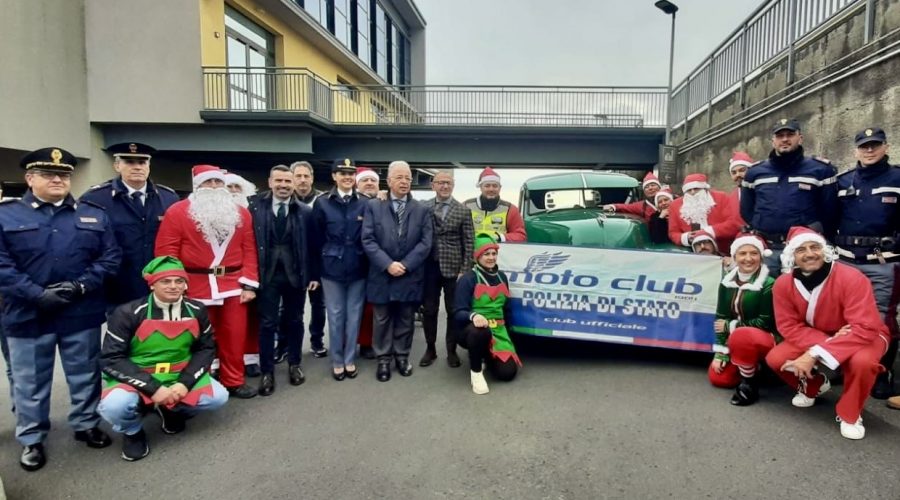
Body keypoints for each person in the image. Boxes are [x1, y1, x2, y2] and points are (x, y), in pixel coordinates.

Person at [0, 147, 121, 471]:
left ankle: (86, 424)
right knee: (30, 382)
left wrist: (80, 286)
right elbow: (2, 266)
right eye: (48, 174)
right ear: (29, 178)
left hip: (79, 311)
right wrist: (37, 295)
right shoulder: (7, 215)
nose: (58, 179)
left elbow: (110, 258)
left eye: (64, 174)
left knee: (84, 374)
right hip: (27, 314)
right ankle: (32, 439)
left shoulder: (92, 214)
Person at [98, 256, 228, 461]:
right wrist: (153, 388)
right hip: (138, 376)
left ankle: (171, 409)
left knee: (218, 397)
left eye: (179, 281)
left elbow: (206, 349)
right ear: (152, 285)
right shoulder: (127, 313)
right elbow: (111, 358)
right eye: (165, 281)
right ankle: (132, 431)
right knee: (116, 405)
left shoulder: (197, 310)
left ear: (186, 285)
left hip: (178, 374)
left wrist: (184, 383)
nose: (173, 286)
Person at [766, 226, 889, 440]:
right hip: (821, 335)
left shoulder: (851, 277)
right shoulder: (783, 284)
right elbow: (788, 326)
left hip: (864, 335)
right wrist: (827, 343)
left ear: (824, 250)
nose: (810, 253)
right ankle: (814, 385)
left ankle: (850, 413)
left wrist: (813, 354)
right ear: (791, 255)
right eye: (801, 249)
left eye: (815, 247)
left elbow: (865, 326)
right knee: (777, 358)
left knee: (863, 363)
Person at [155, 165, 260, 399]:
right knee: (199, 337)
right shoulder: (178, 212)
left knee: (234, 335)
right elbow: (166, 253)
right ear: (197, 185)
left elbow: (250, 249)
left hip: (233, 284)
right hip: (194, 284)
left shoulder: (240, 213)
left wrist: (249, 283)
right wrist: (172, 285)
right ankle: (201, 380)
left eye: (217, 182)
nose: (213, 187)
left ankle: (234, 380)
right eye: (207, 182)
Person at [834, 127, 900, 401]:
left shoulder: (898, 178)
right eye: (864, 146)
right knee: (843, 315)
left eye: (875, 145)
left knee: (883, 317)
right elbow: (829, 219)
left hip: (883, 262)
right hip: (846, 260)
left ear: (885, 146)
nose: (869, 150)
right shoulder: (843, 181)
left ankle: (881, 371)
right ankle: (844, 361)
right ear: (856, 150)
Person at [79, 142, 179, 307]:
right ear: (117, 165)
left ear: (149, 165)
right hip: (116, 289)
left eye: (142, 162)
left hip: (157, 287)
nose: (137, 167)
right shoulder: (95, 199)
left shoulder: (168, 198)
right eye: (129, 162)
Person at [247, 165, 318, 395]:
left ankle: (294, 364)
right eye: (279, 181)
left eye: (288, 182)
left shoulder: (305, 211)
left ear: (293, 184)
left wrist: (313, 275)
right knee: (267, 323)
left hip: (295, 275)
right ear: (270, 182)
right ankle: (267, 371)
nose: (284, 186)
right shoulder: (255, 207)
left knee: (295, 320)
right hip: (266, 275)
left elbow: (313, 247)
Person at [362, 160, 434, 382]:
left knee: (405, 318)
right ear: (389, 181)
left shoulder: (421, 210)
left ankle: (402, 356)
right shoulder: (374, 206)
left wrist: (405, 264)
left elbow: (425, 242)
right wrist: (388, 264)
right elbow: (368, 239)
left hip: (409, 274)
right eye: (399, 178)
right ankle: (383, 359)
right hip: (381, 274)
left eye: (408, 179)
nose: (404, 182)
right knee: (381, 318)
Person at [741, 119, 838, 274]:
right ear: (773, 141)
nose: (785, 139)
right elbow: (746, 210)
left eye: (790, 134)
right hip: (767, 248)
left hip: (804, 251)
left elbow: (830, 211)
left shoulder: (821, 170)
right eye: (780, 136)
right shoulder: (754, 172)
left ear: (800, 138)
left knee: (803, 295)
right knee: (766, 293)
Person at [314, 159, 369, 380]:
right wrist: (314, 272)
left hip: (358, 265)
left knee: (354, 315)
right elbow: (315, 239)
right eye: (342, 173)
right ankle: (337, 359)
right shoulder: (322, 202)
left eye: (350, 173)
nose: (347, 177)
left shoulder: (365, 202)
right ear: (334, 177)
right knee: (335, 315)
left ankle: (349, 359)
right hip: (332, 266)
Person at [710, 233, 780, 406]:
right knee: (719, 379)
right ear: (734, 257)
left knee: (743, 335)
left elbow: (765, 322)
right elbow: (721, 318)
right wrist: (721, 353)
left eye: (754, 253)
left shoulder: (769, 284)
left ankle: (750, 382)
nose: (748, 259)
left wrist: (730, 326)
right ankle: (753, 368)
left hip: (765, 338)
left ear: (761, 257)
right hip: (737, 341)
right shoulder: (726, 282)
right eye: (742, 254)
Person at [453, 233, 521, 394]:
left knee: (507, 373)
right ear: (477, 256)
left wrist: (510, 337)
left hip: (498, 330)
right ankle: (476, 372)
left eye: (494, 253)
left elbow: (506, 309)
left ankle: (487, 356)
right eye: (486, 254)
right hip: (473, 330)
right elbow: (457, 311)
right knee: (480, 333)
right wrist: (474, 316)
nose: (491, 257)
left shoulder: (502, 277)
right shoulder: (468, 279)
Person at [420, 170, 474, 368]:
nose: (444, 186)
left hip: (454, 268)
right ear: (433, 185)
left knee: (453, 311)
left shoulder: (463, 210)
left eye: (448, 183)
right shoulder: (423, 206)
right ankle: (430, 348)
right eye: (440, 183)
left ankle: (451, 350)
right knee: (429, 310)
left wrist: (465, 269)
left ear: (453, 185)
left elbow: (469, 242)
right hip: (429, 266)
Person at [225, 172, 261, 377]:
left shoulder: (252, 211)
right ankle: (217, 361)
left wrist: (250, 280)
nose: (232, 192)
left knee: (252, 320)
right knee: (220, 324)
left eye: (237, 188)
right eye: (228, 187)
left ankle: (250, 358)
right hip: (217, 279)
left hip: (249, 273)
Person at [291, 161, 327, 358]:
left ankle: (317, 341)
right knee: (290, 308)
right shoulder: (285, 200)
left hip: (317, 263)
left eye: (306, 176)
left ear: (312, 178)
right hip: (292, 264)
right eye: (299, 176)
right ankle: (286, 344)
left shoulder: (322, 201)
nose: (303, 180)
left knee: (318, 306)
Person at [668, 173, 740, 253]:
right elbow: (673, 232)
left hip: (722, 249)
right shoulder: (675, 205)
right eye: (688, 190)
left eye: (696, 188)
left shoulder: (721, 198)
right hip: (691, 251)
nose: (692, 192)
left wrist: (708, 231)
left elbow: (733, 223)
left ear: (705, 189)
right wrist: (686, 237)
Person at [354, 166, 380, 359]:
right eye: (365, 180)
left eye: (373, 181)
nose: (370, 183)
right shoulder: (351, 204)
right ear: (357, 184)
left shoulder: (383, 203)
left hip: (378, 264)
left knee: (372, 308)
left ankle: (367, 343)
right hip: (355, 262)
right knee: (353, 307)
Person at [464, 166, 526, 242]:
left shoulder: (510, 209)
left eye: (495, 186)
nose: (491, 189)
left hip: (499, 252)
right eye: (487, 186)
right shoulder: (466, 206)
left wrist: (499, 237)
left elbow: (520, 236)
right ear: (480, 187)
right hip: (471, 251)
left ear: (500, 188)